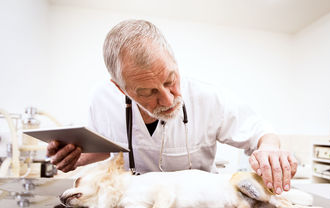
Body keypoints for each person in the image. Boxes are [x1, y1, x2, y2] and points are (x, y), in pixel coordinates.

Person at [47, 19, 297, 195]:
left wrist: (271, 150)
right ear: (121, 88)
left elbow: (262, 133)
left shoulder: (208, 96)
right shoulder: (103, 99)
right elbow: (107, 149)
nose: (168, 100)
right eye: (148, 92)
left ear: (175, 61)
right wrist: (77, 157)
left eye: (170, 81)